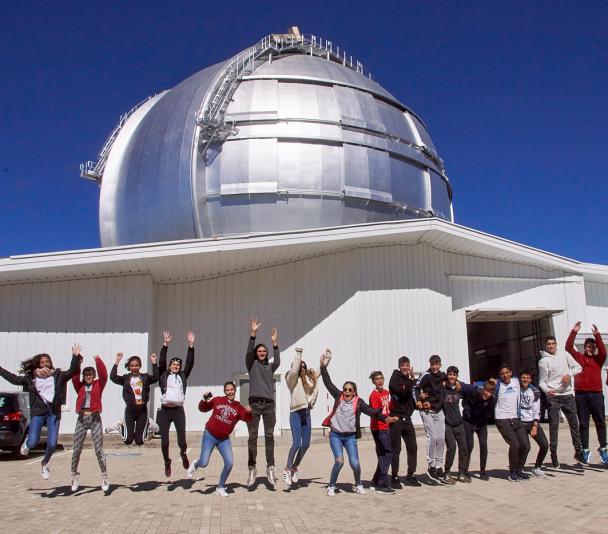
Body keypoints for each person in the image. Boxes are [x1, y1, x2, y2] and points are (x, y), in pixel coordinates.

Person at [320, 350, 397, 496]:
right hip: (336, 435)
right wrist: (323, 367)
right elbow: (328, 383)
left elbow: (372, 411)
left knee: (355, 463)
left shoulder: (359, 402)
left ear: (354, 392)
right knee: (340, 461)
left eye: (350, 390)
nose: (347, 391)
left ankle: (358, 484)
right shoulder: (339, 397)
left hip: (350, 437)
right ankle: (331, 485)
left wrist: (385, 418)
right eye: (345, 389)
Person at [0, 346, 80, 479]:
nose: (45, 363)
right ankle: (26, 443)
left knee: (52, 443)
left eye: (47, 361)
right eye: (42, 362)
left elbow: (72, 371)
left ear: (51, 363)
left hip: (53, 412)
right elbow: (13, 379)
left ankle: (45, 462)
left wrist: (75, 357)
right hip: (38, 412)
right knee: (32, 442)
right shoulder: (31, 377)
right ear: (38, 364)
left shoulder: (58, 375)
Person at [187, 382, 252, 497]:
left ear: (235, 391)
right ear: (224, 392)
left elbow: (247, 419)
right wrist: (204, 400)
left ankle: (221, 487)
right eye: (228, 390)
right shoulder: (217, 400)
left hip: (224, 439)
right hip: (210, 435)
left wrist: (248, 412)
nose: (230, 392)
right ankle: (196, 464)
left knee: (229, 463)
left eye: (232, 389)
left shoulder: (238, 407)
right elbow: (202, 408)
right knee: (204, 462)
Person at [565, 322, 608, 464]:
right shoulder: (579, 357)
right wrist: (574, 331)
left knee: (600, 421)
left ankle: (603, 447)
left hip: (596, 394)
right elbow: (568, 347)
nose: (590, 348)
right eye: (588, 346)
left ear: (595, 348)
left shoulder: (598, 359)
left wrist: (597, 335)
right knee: (583, 423)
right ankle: (585, 449)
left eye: (592, 346)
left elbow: (604, 352)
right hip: (581, 395)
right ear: (584, 347)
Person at [538, 335, 583, 467]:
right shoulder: (544, 362)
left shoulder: (565, 355)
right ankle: (554, 453)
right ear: (546, 346)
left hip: (568, 395)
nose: (551, 346)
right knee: (554, 426)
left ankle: (578, 451)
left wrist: (569, 375)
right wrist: (547, 391)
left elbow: (578, 367)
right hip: (553, 396)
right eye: (548, 344)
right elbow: (542, 382)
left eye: (553, 343)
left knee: (574, 424)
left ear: (556, 344)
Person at [245, 318, 280, 486]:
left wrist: (274, 344)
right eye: (259, 351)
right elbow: (248, 353)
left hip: (268, 406)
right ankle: (252, 468)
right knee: (252, 437)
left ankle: (270, 467)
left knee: (269, 436)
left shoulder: (270, 367)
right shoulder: (251, 365)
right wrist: (253, 333)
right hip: (254, 405)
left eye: (263, 352)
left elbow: (278, 361)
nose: (261, 353)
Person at [157, 330, 196, 477]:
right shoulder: (164, 375)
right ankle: (167, 461)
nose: (175, 366)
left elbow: (190, 363)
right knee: (164, 442)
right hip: (165, 411)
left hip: (178, 411)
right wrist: (165, 345)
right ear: (169, 366)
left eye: (177, 365)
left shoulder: (183, 376)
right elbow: (161, 361)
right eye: (173, 364)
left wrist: (191, 346)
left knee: (182, 440)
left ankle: (184, 454)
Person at [70, 354, 109, 492]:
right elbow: (74, 376)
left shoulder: (99, 384)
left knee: (98, 449)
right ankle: (74, 475)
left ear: (94, 375)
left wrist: (98, 360)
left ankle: (104, 475)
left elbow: (104, 375)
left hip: (95, 418)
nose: (88, 376)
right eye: (86, 374)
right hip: (81, 418)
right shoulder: (79, 386)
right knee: (77, 449)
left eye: (91, 374)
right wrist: (77, 361)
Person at [283, 347, 319, 487]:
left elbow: (317, 376)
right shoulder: (291, 379)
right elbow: (294, 371)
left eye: (304, 367)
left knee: (306, 444)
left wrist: (325, 362)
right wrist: (299, 355)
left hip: (306, 414)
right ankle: (287, 469)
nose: (302, 369)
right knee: (297, 443)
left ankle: (294, 467)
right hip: (295, 413)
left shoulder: (307, 381)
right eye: (300, 367)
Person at [109, 351, 159, 446]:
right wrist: (117, 362)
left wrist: (154, 363)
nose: (134, 368)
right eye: (132, 366)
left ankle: (147, 424)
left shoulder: (145, 378)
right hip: (130, 410)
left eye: (136, 365)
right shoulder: (125, 378)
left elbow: (156, 377)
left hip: (142, 411)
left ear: (140, 366)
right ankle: (120, 427)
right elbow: (113, 377)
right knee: (128, 441)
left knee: (140, 442)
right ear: (129, 367)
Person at [414, 354, 447, 483]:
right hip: (427, 410)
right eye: (433, 364)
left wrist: (457, 383)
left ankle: (439, 466)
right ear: (430, 364)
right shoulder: (426, 375)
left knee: (441, 438)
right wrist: (418, 398)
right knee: (432, 437)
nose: (435, 367)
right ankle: (431, 466)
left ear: (440, 365)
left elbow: (451, 379)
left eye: (437, 364)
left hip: (439, 410)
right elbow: (415, 387)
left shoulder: (442, 375)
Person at [494, 364, 530, 481]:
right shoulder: (498, 385)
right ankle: (512, 472)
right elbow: (480, 385)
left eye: (506, 373)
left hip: (515, 418)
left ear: (510, 372)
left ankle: (519, 469)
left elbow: (528, 384)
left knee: (525, 445)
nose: (505, 375)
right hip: (502, 419)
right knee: (515, 444)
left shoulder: (515, 382)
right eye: (502, 374)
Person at [388, 356, 420, 488]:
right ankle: (394, 477)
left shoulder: (410, 380)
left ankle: (410, 475)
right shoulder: (395, 378)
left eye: (407, 365)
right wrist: (411, 381)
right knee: (396, 449)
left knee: (413, 448)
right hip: (396, 419)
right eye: (403, 366)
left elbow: (412, 394)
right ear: (399, 366)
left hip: (408, 419)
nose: (405, 368)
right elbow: (402, 392)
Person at [442, 366, 476, 483]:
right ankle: (447, 472)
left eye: (454, 375)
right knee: (451, 447)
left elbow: (472, 389)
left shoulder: (459, 388)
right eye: (450, 374)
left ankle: (461, 473)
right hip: (447, 424)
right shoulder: (443, 388)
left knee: (464, 448)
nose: (452, 376)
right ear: (447, 375)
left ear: (457, 376)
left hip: (459, 423)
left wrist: (460, 384)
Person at [368, 371, 395, 494]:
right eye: (376, 379)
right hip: (378, 428)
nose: (379, 381)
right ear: (373, 381)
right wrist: (385, 418)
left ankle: (375, 480)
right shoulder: (373, 395)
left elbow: (388, 407)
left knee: (384, 454)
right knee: (386, 453)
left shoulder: (386, 393)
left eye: (381, 378)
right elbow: (375, 413)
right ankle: (382, 484)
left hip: (386, 426)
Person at [462, 380, 495, 480]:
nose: (487, 394)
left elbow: (489, 411)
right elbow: (464, 402)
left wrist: (487, 417)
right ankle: (465, 470)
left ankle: (482, 471)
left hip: (481, 423)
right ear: (483, 389)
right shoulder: (475, 394)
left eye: (490, 392)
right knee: (469, 445)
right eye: (486, 391)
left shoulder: (492, 400)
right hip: (469, 421)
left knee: (484, 445)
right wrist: (467, 412)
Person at [519, 370, 548, 477]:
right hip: (520, 423)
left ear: (530, 380)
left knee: (544, 445)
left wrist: (535, 425)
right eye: (523, 377)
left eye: (527, 378)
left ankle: (537, 467)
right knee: (525, 446)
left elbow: (536, 410)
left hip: (531, 421)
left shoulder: (534, 392)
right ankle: (520, 468)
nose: (525, 379)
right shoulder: (516, 390)